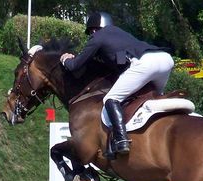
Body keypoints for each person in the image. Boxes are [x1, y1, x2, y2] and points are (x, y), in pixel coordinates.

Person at [60, 11, 174, 155]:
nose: (91, 35)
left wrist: (65, 58)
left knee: (110, 98)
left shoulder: (97, 37)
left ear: (94, 29)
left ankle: (121, 140)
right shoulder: (119, 32)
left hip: (145, 64)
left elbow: (75, 66)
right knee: (155, 98)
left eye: (91, 32)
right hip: (165, 59)